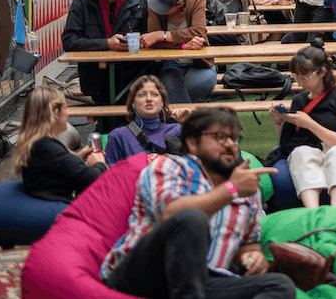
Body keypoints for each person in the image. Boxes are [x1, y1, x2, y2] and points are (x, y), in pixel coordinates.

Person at [101, 108, 292, 299]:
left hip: (203, 281)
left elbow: (249, 243)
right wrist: (231, 189)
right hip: (143, 275)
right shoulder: (170, 166)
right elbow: (171, 216)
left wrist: (253, 257)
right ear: (192, 142)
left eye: (234, 138)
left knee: (280, 285)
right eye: (220, 137)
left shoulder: (248, 193)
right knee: (192, 218)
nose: (230, 145)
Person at [267, 41, 336, 208]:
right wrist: (280, 120)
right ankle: (313, 213)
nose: (299, 82)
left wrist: (311, 124)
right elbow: (287, 142)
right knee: (300, 153)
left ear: (322, 72)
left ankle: (335, 212)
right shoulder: (300, 99)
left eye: (304, 77)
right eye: (296, 76)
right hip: (310, 148)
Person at [62, 0, 150, 131]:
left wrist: (141, 42)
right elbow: (69, 41)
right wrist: (105, 44)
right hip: (96, 74)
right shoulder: (84, 1)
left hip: (131, 72)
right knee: (107, 115)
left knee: (129, 113)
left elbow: (148, 35)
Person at [16, 85, 107, 203]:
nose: (68, 114)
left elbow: (58, 166)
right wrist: (99, 163)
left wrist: (77, 157)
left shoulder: (35, 142)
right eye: (66, 108)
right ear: (56, 112)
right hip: (57, 206)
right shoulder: (48, 147)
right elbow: (90, 180)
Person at [142, 0, 215, 103]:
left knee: (174, 90)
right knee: (171, 86)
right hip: (171, 63)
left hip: (199, 64)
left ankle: (175, 119)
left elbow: (199, 32)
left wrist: (163, 35)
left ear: (179, 5)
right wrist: (183, 46)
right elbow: (154, 41)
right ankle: (189, 118)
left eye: (165, 8)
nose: (159, 9)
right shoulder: (154, 3)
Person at [104, 76, 190, 165]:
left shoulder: (177, 130)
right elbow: (111, 174)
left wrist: (190, 122)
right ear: (133, 103)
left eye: (154, 94)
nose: (149, 99)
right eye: (142, 95)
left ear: (162, 102)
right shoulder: (118, 136)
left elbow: (198, 161)